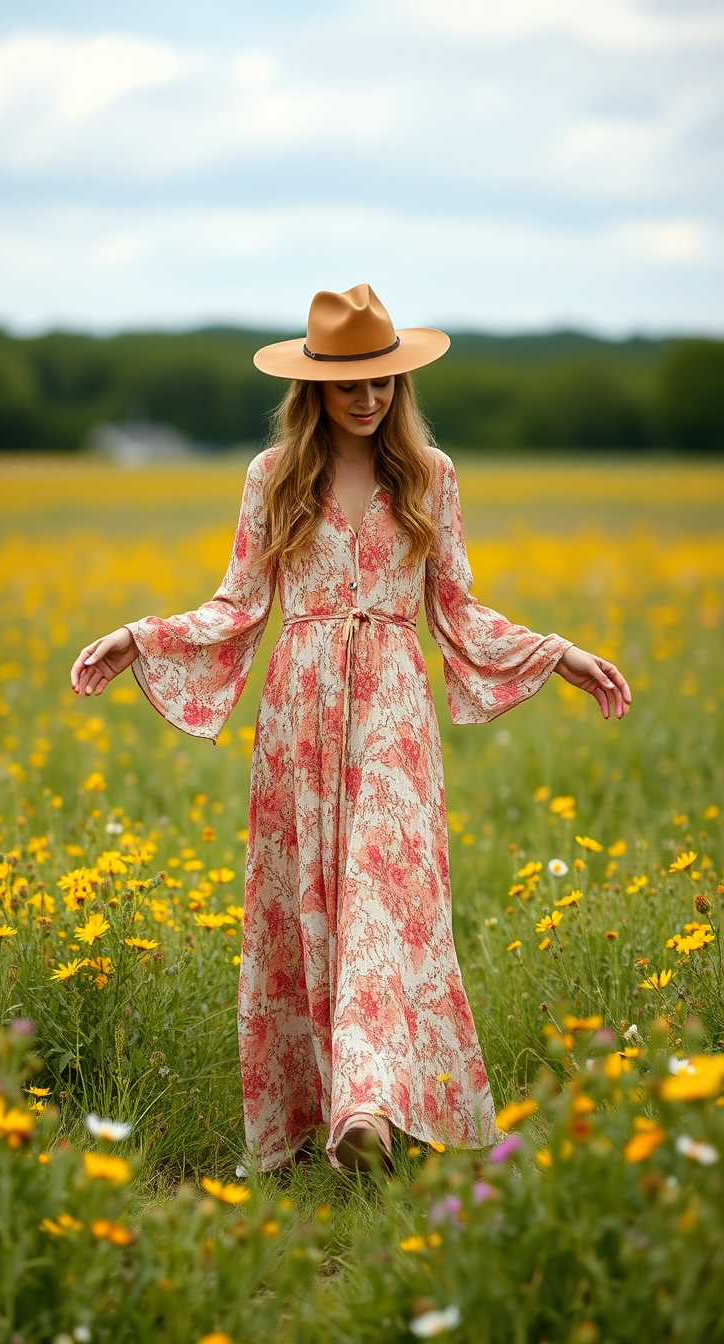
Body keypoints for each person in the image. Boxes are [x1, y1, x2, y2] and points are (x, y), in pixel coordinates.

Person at [70, 283, 631, 1176]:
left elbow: (456, 608)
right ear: (316, 389)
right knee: (307, 906)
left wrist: (557, 654)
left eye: (384, 382)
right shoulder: (273, 476)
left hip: (395, 717)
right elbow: (238, 605)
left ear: (401, 385)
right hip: (299, 713)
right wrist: (141, 637)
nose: (369, 399)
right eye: (349, 384)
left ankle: (365, 1106)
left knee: (378, 896)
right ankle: (325, 1108)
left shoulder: (431, 475)